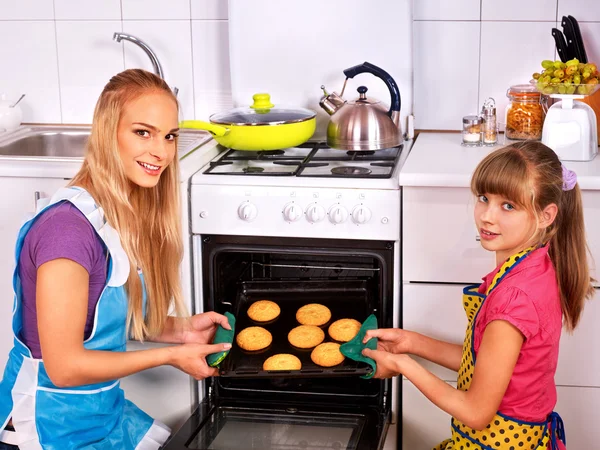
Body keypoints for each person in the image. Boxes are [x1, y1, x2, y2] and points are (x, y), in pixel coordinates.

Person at [0, 69, 232, 449]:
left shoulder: (112, 216)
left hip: (99, 415)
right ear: (109, 133)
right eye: (143, 132)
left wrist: (182, 330)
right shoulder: (66, 233)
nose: (161, 151)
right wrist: (171, 355)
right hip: (42, 428)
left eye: (169, 135)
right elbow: (65, 367)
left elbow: (100, 321)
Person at [363, 141, 593, 449]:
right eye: (484, 198)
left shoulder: (514, 300)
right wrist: (412, 342)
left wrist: (403, 365)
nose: (487, 216)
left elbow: (475, 412)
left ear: (546, 215)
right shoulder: (536, 267)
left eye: (508, 206)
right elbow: (486, 365)